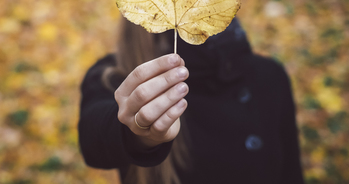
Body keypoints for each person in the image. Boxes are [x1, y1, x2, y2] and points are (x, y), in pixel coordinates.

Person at [78, 17, 304, 184]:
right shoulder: (117, 76)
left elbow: (291, 175)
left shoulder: (268, 76)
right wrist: (136, 132)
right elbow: (95, 137)